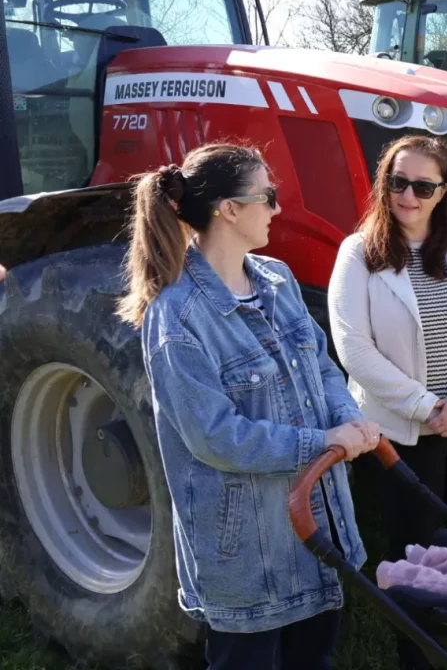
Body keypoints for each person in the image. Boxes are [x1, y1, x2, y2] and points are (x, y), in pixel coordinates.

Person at [116, 143, 378, 670]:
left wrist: (347, 417)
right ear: (229, 210)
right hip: (247, 559)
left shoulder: (277, 279)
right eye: (267, 196)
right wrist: (322, 442)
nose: (277, 208)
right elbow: (215, 436)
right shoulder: (177, 317)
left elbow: (322, 365)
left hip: (316, 534)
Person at [329, 134, 447, 557]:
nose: (408, 196)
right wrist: (430, 408)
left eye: (423, 187)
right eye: (398, 182)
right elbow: (354, 348)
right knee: (415, 548)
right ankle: (414, 604)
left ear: (442, 192)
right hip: (404, 431)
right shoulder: (358, 253)